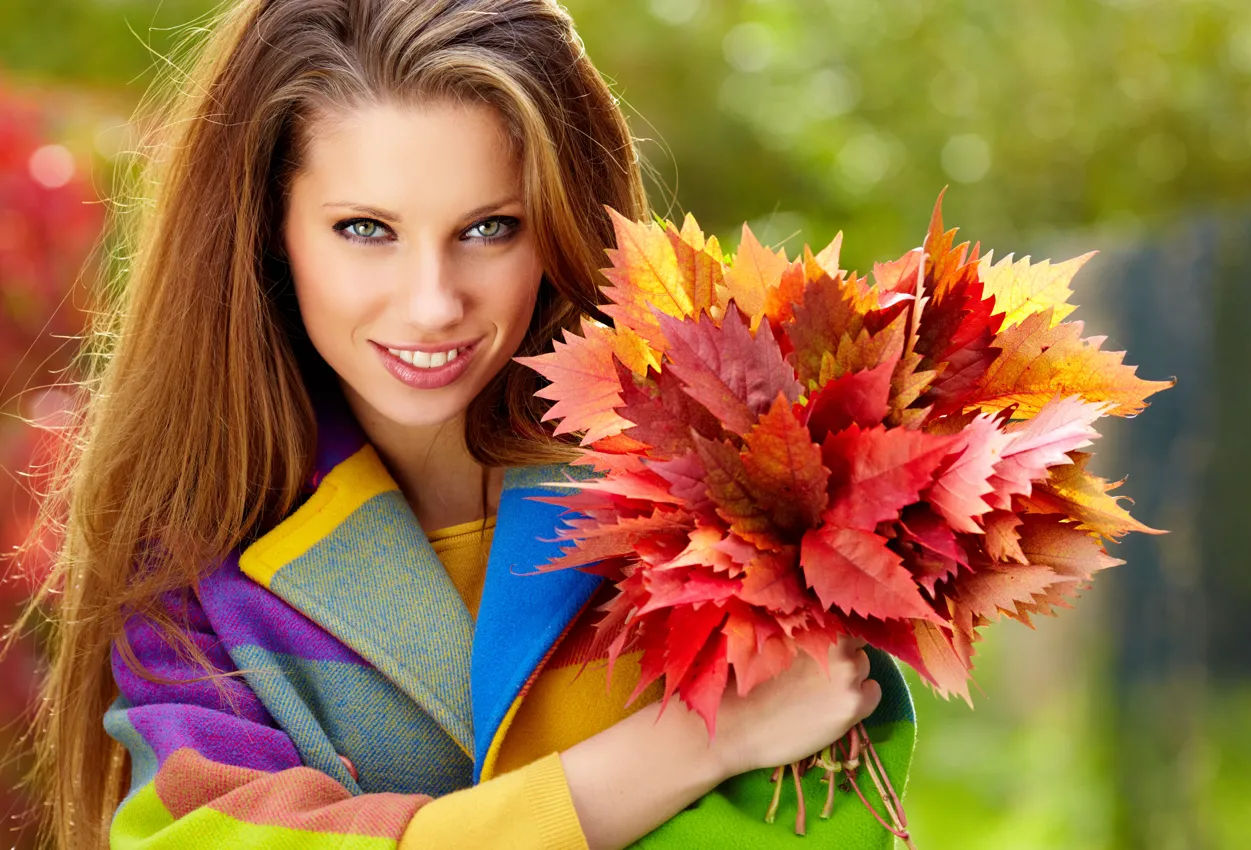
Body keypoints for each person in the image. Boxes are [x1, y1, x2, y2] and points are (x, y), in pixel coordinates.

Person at [27, 1, 917, 848]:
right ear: (269, 231)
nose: (431, 304)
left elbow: (816, 823)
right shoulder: (191, 556)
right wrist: (687, 749)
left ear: (563, 223)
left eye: (489, 227)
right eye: (365, 229)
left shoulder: (727, 480)